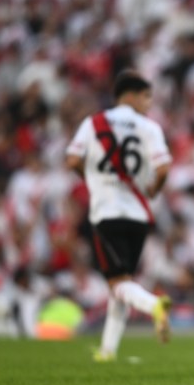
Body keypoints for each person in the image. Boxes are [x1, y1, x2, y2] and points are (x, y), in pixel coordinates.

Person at [66, 70, 173, 362]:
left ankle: (154, 304)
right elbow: (163, 168)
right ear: (131, 94)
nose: (149, 103)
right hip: (138, 214)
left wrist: (92, 179)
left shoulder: (94, 123)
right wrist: (152, 190)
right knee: (122, 281)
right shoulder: (149, 127)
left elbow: (73, 159)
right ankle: (108, 350)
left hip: (107, 211)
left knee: (117, 282)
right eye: (146, 96)